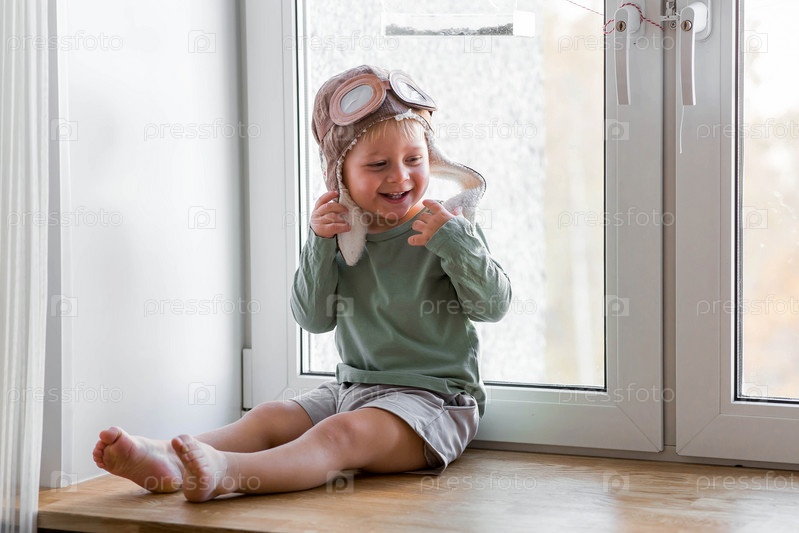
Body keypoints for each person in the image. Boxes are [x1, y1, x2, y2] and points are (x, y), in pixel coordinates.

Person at [92, 65, 512, 502]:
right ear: (339, 174)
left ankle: (228, 472)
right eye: (378, 164)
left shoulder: (447, 227)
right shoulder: (343, 236)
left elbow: (493, 307)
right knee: (270, 416)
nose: (400, 177)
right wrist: (319, 244)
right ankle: (166, 458)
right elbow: (313, 319)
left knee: (340, 434)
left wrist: (458, 244)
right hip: (354, 388)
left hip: (435, 402)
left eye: (414, 160)